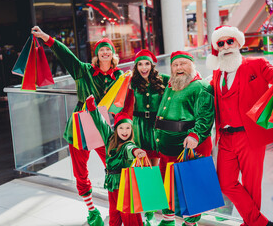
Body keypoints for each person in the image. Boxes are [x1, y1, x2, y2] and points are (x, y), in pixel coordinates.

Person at [206, 25, 273, 226]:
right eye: (221, 43)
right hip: (225, 137)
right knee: (225, 183)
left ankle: (250, 222)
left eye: (229, 41)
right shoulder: (217, 74)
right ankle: (259, 222)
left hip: (250, 135)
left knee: (252, 184)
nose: (225, 46)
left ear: (238, 43)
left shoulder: (256, 64)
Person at [32, 26, 123, 226]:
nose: (105, 52)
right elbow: (64, 54)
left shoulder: (120, 77)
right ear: (97, 55)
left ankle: (116, 210)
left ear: (113, 54)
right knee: (80, 171)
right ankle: (92, 211)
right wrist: (45, 37)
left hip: (105, 129)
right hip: (80, 127)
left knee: (114, 167)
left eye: (108, 49)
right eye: (101, 50)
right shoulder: (83, 70)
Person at [154, 51, 215, 226]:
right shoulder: (171, 84)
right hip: (167, 148)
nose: (179, 67)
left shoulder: (200, 87)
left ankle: (191, 223)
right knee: (167, 186)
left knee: (192, 189)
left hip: (188, 148)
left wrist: (196, 135)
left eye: (183, 63)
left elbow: (205, 117)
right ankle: (167, 220)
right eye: (175, 65)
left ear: (192, 65)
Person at [85, 95, 145, 226]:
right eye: (121, 128)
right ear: (116, 129)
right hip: (112, 183)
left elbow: (131, 149)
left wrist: (137, 152)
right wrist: (91, 106)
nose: (124, 131)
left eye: (128, 128)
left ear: (131, 129)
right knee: (114, 214)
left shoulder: (128, 145)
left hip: (125, 185)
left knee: (129, 216)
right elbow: (100, 122)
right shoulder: (110, 138)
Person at [130, 49, 170, 225]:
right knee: (144, 169)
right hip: (139, 128)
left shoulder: (164, 80)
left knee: (156, 168)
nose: (143, 67)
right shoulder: (130, 83)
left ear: (152, 65)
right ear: (136, 66)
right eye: (140, 64)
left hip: (157, 127)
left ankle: (156, 208)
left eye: (146, 63)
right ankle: (149, 212)